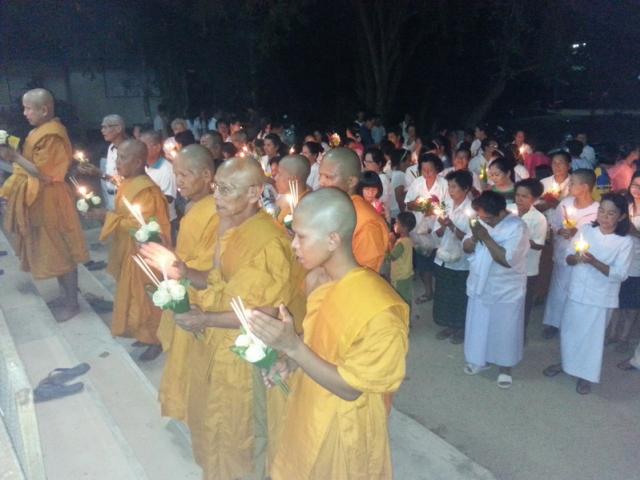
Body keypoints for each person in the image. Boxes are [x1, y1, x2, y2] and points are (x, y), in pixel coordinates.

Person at [139, 156, 306, 480]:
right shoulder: (231, 228)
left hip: (247, 352)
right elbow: (217, 280)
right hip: (218, 344)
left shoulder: (268, 240)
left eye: (227, 190)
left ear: (255, 193)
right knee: (217, 426)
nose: (217, 196)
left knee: (244, 434)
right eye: (217, 187)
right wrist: (183, 271)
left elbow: (265, 312)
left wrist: (205, 320)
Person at [247, 188, 409, 480]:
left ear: (333, 239)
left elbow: (351, 388)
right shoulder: (320, 283)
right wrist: (290, 363)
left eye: (301, 236)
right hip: (308, 405)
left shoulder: (380, 310)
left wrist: (293, 348)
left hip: (345, 426)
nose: (293, 244)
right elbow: (318, 345)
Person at [0, 88, 89, 322]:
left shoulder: (52, 135)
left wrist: (14, 157)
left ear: (44, 109)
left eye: (28, 108)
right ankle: (63, 296)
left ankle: (72, 303)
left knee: (63, 249)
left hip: (53, 199)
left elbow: (46, 174)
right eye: (24, 107)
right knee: (53, 250)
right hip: (41, 199)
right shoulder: (38, 132)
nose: (25, 112)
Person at [543, 193, 633, 394]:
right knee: (569, 330)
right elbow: (568, 256)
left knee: (591, 338)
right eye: (602, 211)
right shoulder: (586, 230)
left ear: (621, 217)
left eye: (611, 213)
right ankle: (566, 364)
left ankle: (586, 375)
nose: (604, 216)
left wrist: (594, 262)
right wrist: (575, 258)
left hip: (600, 297)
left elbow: (620, 274)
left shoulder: (624, 242)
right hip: (577, 290)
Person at [155, 144, 217, 421]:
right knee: (182, 361)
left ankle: (198, 411)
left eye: (186, 174)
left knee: (195, 362)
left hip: (202, 293)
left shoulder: (216, 211)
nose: (179, 181)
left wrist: (183, 269)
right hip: (185, 284)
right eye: (176, 174)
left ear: (207, 175)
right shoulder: (193, 207)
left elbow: (212, 264)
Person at [97, 139, 171, 361]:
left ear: (139, 161)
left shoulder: (146, 189)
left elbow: (143, 225)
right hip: (130, 250)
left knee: (149, 297)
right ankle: (143, 334)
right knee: (135, 296)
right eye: (118, 157)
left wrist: (106, 217)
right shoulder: (129, 182)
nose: (118, 162)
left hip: (146, 251)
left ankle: (157, 339)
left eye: (123, 158)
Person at [463, 191, 530, 389]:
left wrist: (486, 237)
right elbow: (466, 247)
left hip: (506, 287)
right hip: (480, 283)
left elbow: (507, 260)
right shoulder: (480, 221)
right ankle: (479, 359)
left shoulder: (517, 227)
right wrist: (475, 238)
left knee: (505, 328)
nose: (484, 221)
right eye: (481, 217)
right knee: (480, 324)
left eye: (488, 218)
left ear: (501, 212)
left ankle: (505, 367)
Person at [542, 169, 599, 339]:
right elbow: (554, 222)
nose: (570, 185)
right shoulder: (565, 203)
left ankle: (573, 324)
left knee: (576, 290)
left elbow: (597, 233)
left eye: (573, 183)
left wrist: (578, 234)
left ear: (585, 187)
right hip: (562, 254)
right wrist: (560, 230)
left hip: (581, 257)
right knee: (558, 289)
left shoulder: (596, 209)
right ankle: (554, 322)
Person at [319, 147, 389, 272]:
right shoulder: (334, 207)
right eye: (320, 175)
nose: (321, 182)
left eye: (328, 177)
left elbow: (365, 273)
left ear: (351, 181)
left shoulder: (367, 222)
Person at [432, 170, 474, 344]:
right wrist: (442, 226)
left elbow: (470, 238)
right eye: (449, 186)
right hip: (443, 255)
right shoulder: (445, 204)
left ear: (465, 189)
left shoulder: (472, 210)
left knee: (459, 294)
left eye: (454, 186)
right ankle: (449, 324)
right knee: (445, 292)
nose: (450, 190)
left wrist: (450, 225)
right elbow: (437, 232)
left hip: (461, 261)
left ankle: (461, 327)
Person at [405, 153, 447, 303]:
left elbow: (447, 207)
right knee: (423, 263)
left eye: (430, 170)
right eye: (424, 170)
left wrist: (435, 210)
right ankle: (428, 291)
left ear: (437, 169)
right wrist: (420, 205)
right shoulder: (417, 183)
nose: (427, 173)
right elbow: (408, 203)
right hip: (419, 230)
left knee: (440, 262)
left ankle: (442, 293)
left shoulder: (444, 184)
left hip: (438, 230)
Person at [606, 172, 640, 352]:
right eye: (635, 185)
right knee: (616, 299)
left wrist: (635, 232)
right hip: (619, 259)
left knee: (631, 303)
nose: (637, 190)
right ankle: (612, 333)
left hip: (637, 264)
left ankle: (624, 336)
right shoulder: (625, 206)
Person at [514, 179, 547, 334]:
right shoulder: (510, 212)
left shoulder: (538, 218)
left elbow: (540, 244)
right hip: (509, 266)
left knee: (523, 305)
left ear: (534, 199)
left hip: (528, 269)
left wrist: (521, 238)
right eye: (518, 195)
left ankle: (520, 335)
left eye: (524, 196)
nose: (519, 199)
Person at [139, 130, 178, 238]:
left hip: (164, 222)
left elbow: (168, 198)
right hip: (148, 220)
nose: (139, 150)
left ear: (157, 147)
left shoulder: (166, 169)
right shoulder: (143, 167)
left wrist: (144, 200)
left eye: (143, 146)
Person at [388, 211, 416, 307]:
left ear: (404, 228)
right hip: (407, 274)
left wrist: (391, 242)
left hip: (400, 277)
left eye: (397, 223)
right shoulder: (408, 240)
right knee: (406, 296)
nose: (395, 225)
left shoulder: (401, 243)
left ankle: (403, 317)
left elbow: (392, 256)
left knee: (399, 298)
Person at [274, 154, 311, 225]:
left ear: (293, 179)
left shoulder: (305, 207)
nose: (275, 178)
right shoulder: (284, 196)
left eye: (280, 174)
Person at [101, 114, 127, 210]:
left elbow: (124, 180)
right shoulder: (111, 147)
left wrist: (99, 174)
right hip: (111, 196)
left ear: (118, 129)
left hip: (125, 197)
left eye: (105, 127)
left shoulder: (129, 149)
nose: (102, 130)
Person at [363, 147, 393, 219]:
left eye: (369, 162)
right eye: (365, 162)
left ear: (379, 163)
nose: (366, 165)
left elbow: (381, 201)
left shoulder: (382, 179)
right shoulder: (373, 177)